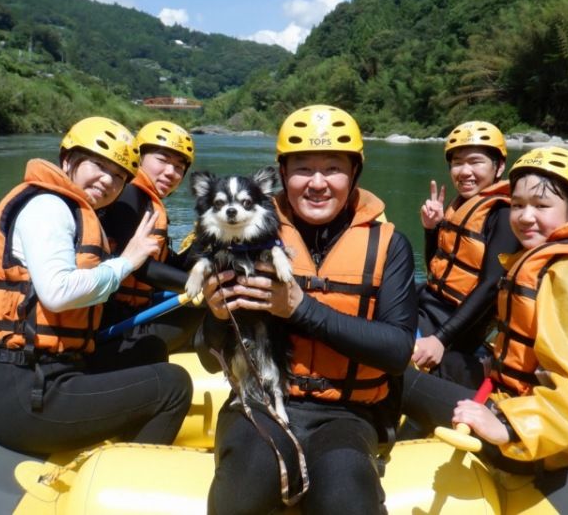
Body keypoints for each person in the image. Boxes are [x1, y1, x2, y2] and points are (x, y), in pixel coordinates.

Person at [196, 105, 418, 514]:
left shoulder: (390, 245)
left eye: (333, 168)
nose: (317, 183)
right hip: (260, 404)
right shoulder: (241, 235)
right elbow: (209, 361)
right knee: (246, 481)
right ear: (283, 175)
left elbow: (397, 351)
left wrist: (301, 309)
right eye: (302, 169)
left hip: (347, 414)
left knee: (346, 491)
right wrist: (216, 315)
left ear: (354, 174)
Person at [400, 146, 568, 473]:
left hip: (540, 437)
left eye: (541, 205)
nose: (525, 216)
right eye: (518, 205)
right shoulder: (554, 258)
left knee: (397, 378)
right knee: (410, 358)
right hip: (515, 395)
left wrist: (506, 426)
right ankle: (411, 446)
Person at [0, 116, 193, 455]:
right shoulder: (48, 206)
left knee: (149, 351)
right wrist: (127, 261)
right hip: (28, 394)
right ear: (68, 160)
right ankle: (125, 488)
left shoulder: (72, 210)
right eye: (99, 165)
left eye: (119, 175)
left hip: (51, 373)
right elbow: (58, 293)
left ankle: (119, 436)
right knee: (173, 385)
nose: (107, 180)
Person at [411, 120, 521, 389]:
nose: (465, 171)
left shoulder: (503, 215)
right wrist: (431, 229)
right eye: (457, 163)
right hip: (430, 303)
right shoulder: (462, 203)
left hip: (456, 322)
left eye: (475, 162)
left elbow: (490, 286)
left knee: (386, 347)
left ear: (499, 167)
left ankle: (475, 369)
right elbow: (436, 268)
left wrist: (440, 339)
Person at [99, 119, 202, 354]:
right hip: (116, 324)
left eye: (179, 166)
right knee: (207, 306)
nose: (171, 172)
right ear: (138, 156)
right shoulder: (128, 195)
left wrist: (204, 243)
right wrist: (199, 285)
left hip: (133, 312)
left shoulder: (146, 202)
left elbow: (168, 265)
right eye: (163, 160)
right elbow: (140, 268)